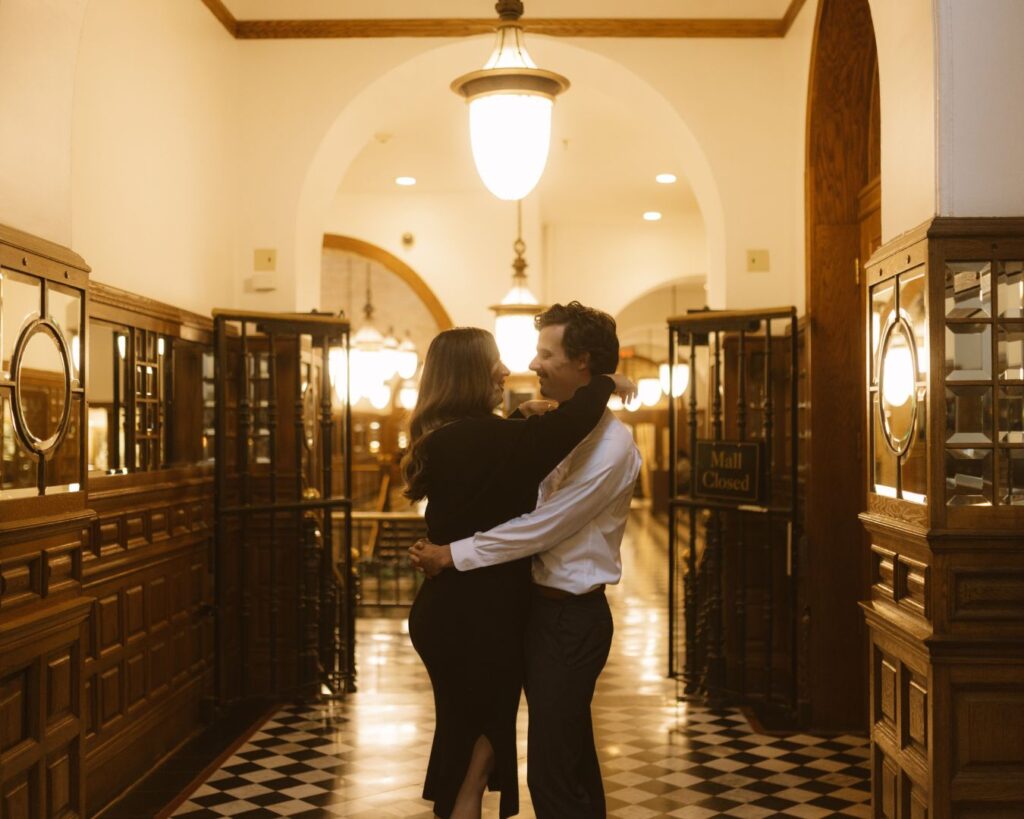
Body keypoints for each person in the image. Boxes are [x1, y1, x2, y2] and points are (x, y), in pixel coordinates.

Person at [411, 302, 642, 819]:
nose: (529, 366)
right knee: (544, 759)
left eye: (544, 354)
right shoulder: (537, 431)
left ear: (582, 363)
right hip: (521, 614)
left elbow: (542, 527)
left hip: (568, 618)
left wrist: (453, 554)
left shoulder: (611, 447)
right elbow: (507, 468)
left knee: (552, 770)